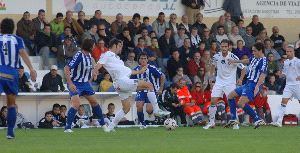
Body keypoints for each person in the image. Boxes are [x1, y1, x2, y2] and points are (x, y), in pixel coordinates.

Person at [93, 39, 170, 132]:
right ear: (115, 45)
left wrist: (140, 71)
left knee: (126, 108)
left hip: (119, 83)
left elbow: (128, 71)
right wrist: (95, 72)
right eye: (120, 46)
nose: (121, 48)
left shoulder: (116, 58)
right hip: (122, 82)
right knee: (149, 85)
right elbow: (99, 64)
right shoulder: (107, 54)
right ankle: (157, 110)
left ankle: (110, 128)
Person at [0, 18, 37, 139]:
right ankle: (10, 132)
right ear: (13, 28)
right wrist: (31, 69)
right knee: (11, 104)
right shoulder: (17, 39)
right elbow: (22, 52)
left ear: (1, 28)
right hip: (11, 74)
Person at [63, 39, 108, 133]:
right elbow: (66, 68)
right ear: (90, 46)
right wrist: (70, 83)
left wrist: (93, 74)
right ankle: (67, 128)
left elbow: (89, 69)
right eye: (93, 46)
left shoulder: (89, 56)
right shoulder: (79, 55)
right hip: (75, 83)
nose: (94, 47)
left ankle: (103, 125)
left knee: (95, 102)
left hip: (85, 84)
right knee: (76, 104)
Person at [203, 39, 246, 130]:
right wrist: (211, 77)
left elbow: (244, 68)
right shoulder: (216, 56)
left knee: (231, 103)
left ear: (229, 47)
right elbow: (213, 66)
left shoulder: (233, 57)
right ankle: (211, 123)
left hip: (230, 83)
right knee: (213, 101)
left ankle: (235, 123)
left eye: (225, 46)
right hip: (219, 82)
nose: (224, 48)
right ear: (220, 47)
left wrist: (241, 79)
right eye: (222, 46)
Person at [225, 42, 268, 129]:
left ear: (260, 51)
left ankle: (257, 119)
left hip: (253, 85)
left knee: (241, 103)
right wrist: (234, 61)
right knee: (230, 96)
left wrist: (257, 87)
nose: (253, 52)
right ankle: (233, 119)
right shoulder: (255, 57)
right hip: (248, 83)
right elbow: (247, 60)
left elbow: (263, 74)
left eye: (254, 51)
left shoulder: (263, 60)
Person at [131, 52, 165, 129]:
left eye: (145, 58)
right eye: (141, 58)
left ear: (147, 60)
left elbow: (162, 76)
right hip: (141, 91)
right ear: (139, 60)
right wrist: (136, 88)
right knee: (139, 106)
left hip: (151, 91)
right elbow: (132, 82)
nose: (143, 60)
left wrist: (160, 88)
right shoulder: (136, 70)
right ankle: (142, 124)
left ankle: (156, 119)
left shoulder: (152, 68)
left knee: (149, 110)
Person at [272, 44, 300, 127]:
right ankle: (279, 121)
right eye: (287, 51)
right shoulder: (286, 62)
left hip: (297, 85)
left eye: (290, 51)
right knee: (283, 102)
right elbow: (284, 73)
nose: (288, 53)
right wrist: (281, 74)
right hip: (288, 86)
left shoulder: (298, 61)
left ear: (293, 52)